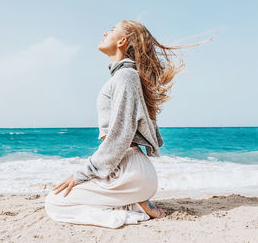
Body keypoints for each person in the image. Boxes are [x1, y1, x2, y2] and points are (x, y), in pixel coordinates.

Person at [44, 20, 208, 229]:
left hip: (132, 171)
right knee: (60, 198)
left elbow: (121, 135)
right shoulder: (124, 76)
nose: (105, 32)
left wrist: (81, 174)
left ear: (122, 41)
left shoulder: (126, 76)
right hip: (128, 171)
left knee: (54, 202)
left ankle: (132, 206)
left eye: (111, 30)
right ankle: (134, 203)